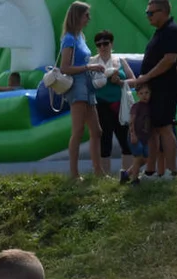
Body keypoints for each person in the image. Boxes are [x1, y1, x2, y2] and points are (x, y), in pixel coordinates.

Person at [132, 0, 177, 179]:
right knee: (153, 129)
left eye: (150, 13)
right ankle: (152, 170)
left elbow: (169, 59)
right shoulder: (159, 33)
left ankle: (171, 171)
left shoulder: (172, 31)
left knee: (165, 128)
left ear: (163, 12)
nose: (148, 16)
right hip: (154, 89)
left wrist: (147, 77)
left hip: (166, 88)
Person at [60, 2, 106, 179]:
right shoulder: (69, 38)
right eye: (86, 15)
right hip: (77, 85)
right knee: (78, 130)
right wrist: (89, 67)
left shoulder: (80, 36)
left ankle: (98, 170)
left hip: (87, 84)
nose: (89, 18)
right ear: (77, 16)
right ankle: (74, 173)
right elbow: (65, 67)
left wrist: (92, 68)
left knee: (96, 130)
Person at [90, 31, 135, 177]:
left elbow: (133, 80)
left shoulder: (120, 60)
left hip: (119, 105)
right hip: (100, 105)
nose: (103, 47)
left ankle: (126, 173)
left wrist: (120, 82)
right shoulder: (91, 62)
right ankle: (104, 175)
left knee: (125, 139)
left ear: (111, 44)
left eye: (106, 43)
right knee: (104, 139)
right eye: (99, 44)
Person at [125, 83, 153, 185]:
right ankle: (135, 180)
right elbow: (131, 121)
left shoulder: (150, 107)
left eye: (146, 93)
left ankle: (126, 174)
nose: (144, 95)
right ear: (137, 95)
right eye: (141, 93)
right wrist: (132, 134)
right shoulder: (136, 106)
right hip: (135, 136)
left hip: (144, 138)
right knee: (137, 158)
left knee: (145, 159)